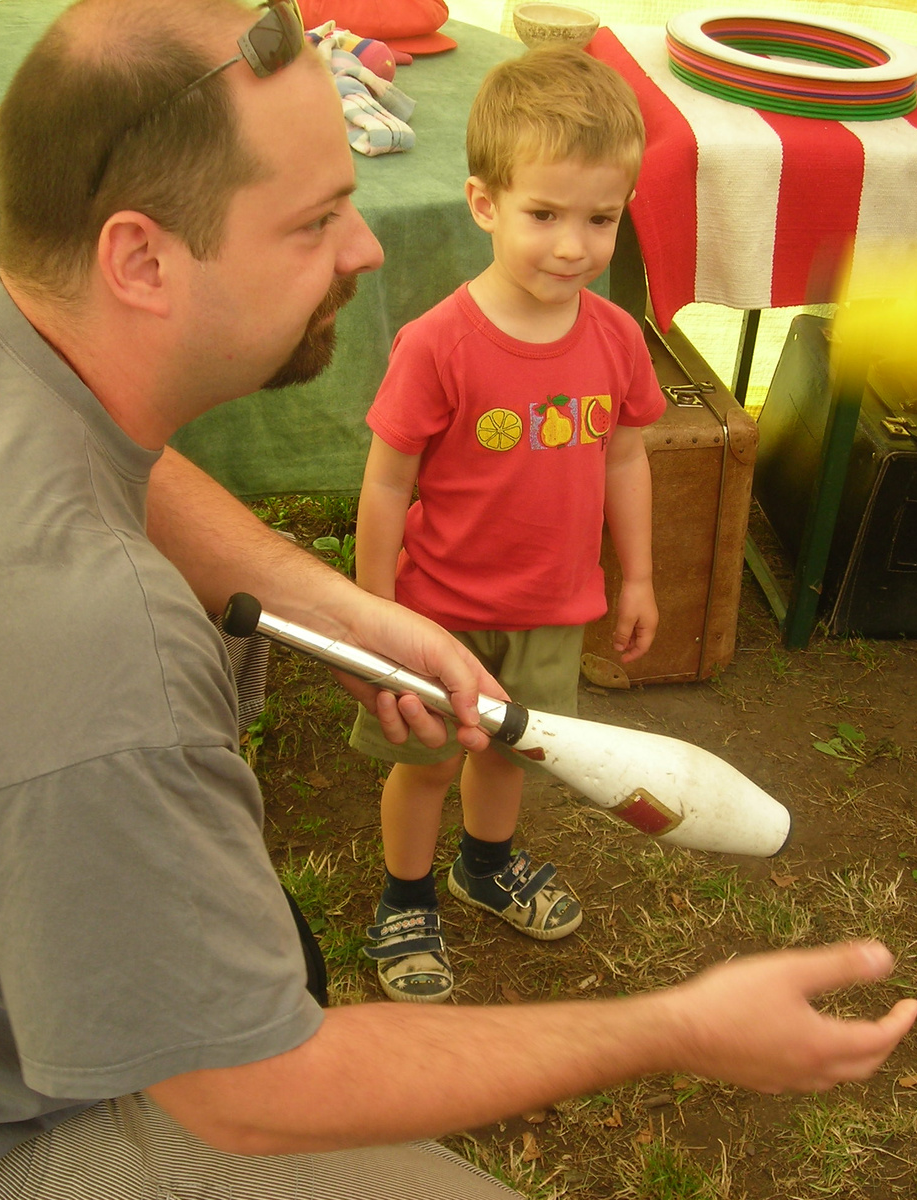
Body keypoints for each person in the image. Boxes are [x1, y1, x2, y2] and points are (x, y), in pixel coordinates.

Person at [0, 1, 917, 1196]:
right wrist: (675, 1025)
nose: (364, 248)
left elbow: (117, 470)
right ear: (140, 258)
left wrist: (334, 603)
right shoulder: (91, 646)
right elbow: (244, 1094)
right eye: (313, 223)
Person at [349, 47, 663, 1004]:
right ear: (484, 203)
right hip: (438, 612)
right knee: (429, 765)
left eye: (600, 219)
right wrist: (372, 615)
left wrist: (638, 577)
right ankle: (406, 897)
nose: (573, 246)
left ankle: (485, 867)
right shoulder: (438, 343)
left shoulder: (613, 336)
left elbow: (624, 456)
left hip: (550, 608)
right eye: (545, 215)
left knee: (512, 755)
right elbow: (385, 485)